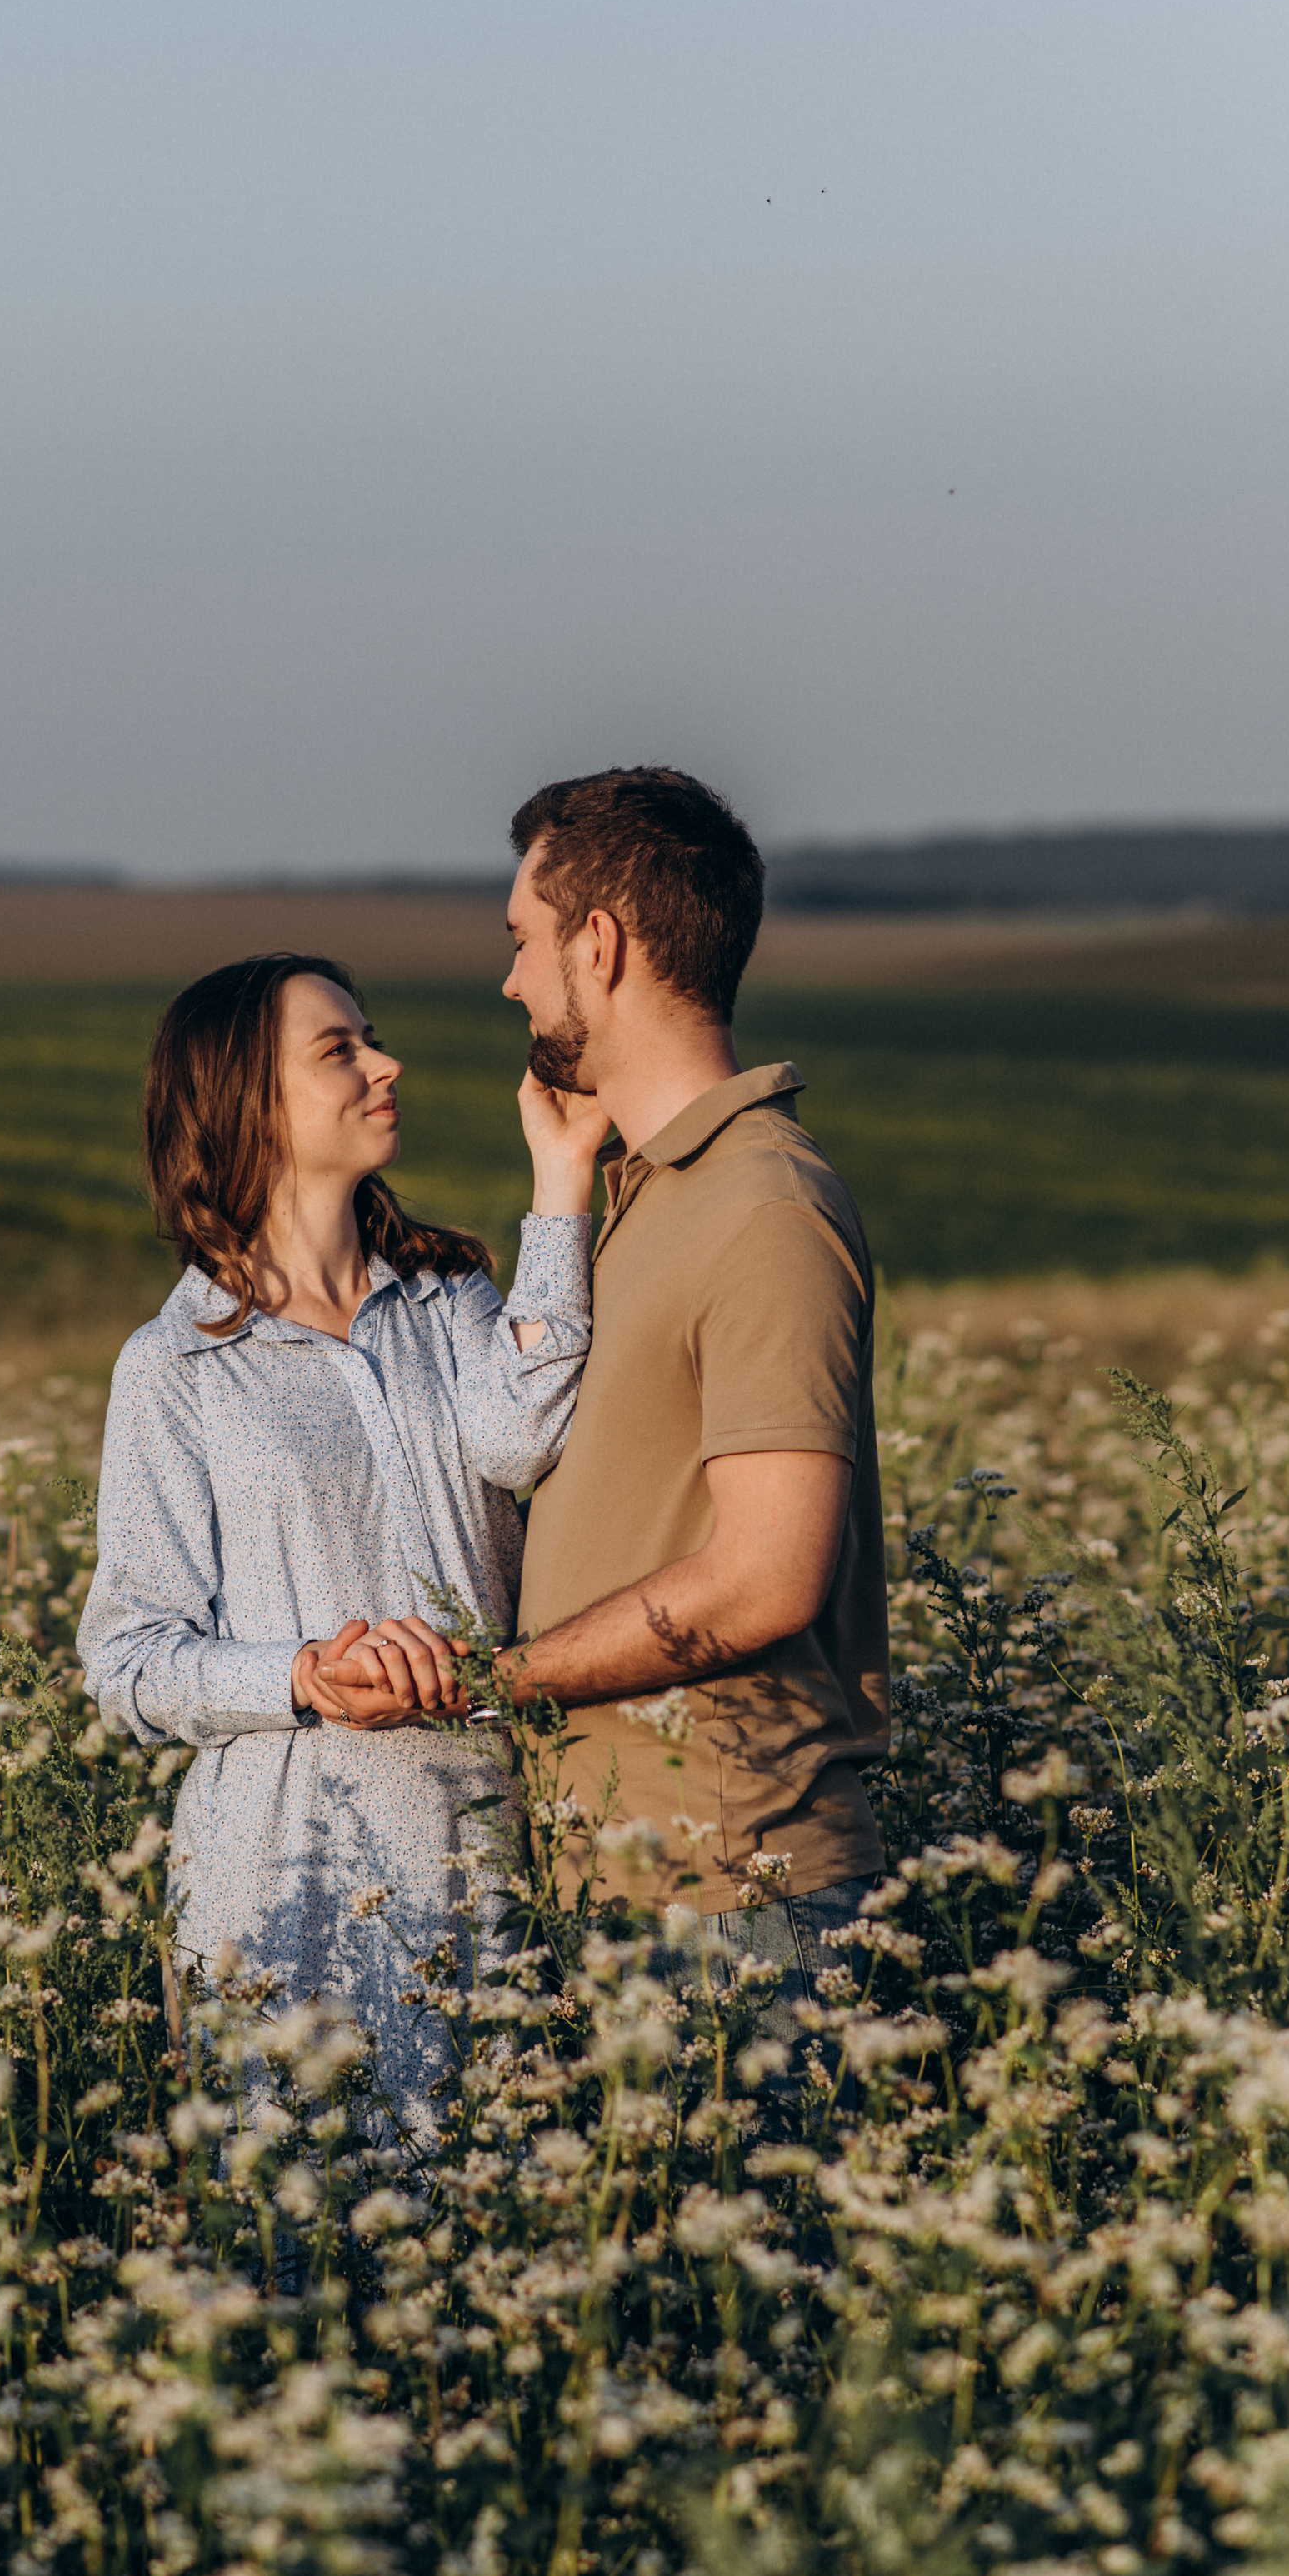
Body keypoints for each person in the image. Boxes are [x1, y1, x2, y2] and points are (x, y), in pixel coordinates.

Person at [77, 952, 602, 2124]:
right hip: (283, 1871)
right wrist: (303, 1676)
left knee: (491, 2199)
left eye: (372, 1038)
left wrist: (561, 1187)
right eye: (341, 1050)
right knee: (300, 2241)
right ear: (244, 1102)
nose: (385, 1064)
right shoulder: (176, 1369)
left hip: (486, 1835)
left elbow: (524, 1440)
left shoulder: (451, 1296)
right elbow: (128, 1662)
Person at [426, 765, 891, 1999]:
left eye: (524, 942)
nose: (511, 980)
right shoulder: (650, 1191)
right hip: (631, 1888)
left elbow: (764, 1578)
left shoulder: (762, 1204)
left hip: (741, 1893)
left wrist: (493, 1687)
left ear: (600, 942)